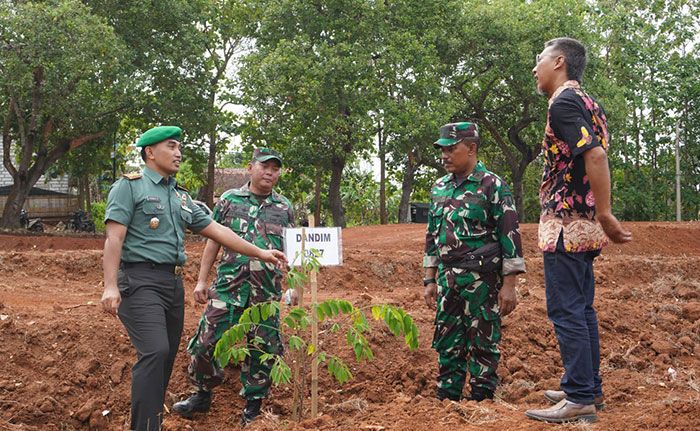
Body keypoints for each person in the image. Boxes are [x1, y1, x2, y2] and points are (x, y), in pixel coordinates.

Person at [101, 127, 286, 431]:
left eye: (179, 147)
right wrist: (110, 285)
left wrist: (262, 253)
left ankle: (151, 423)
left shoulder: (180, 196)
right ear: (150, 152)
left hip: (171, 284)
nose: (178, 153)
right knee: (155, 351)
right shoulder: (129, 187)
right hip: (138, 279)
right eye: (171, 146)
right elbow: (114, 239)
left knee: (165, 356)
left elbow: (220, 232)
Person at [525, 38, 632, 424]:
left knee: (566, 309)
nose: (534, 69)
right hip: (582, 227)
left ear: (559, 62)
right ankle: (586, 385)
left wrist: (606, 213)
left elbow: (595, 155)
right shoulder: (590, 102)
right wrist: (597, 214)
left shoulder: (564, 103)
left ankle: (580, 397)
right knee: (582, 309)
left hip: (566, 227)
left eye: (539, 60)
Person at [173, 148, 296, 426]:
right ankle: (202, 392)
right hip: (228, 288)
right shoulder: (229, 201)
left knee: (262, 349)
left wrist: (295, 286)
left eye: (275, 169)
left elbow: (294, 248)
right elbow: (213, 241)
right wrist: (202, 280)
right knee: (203, 345)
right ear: (250, 168)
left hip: (265, 293)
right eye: (265, 166)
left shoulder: (284, 208)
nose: (269, 172)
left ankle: (253, 407)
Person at [423, 122, 526, 402]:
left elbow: (510, 237)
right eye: (442, 150)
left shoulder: (493, 186)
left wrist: (510, 286)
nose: (444, 155)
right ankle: (447, 400)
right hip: (447, 281)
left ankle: (482, 401)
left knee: (483, 343)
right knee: (447, 341)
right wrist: (430, 279)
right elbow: (433, 235)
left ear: (471, 149)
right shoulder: (439, 188)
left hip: (481, 280)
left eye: (450, 148)